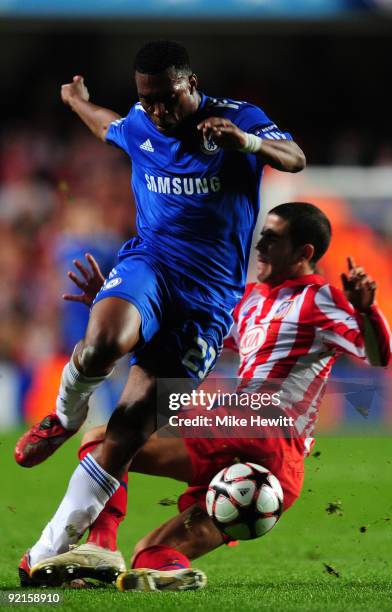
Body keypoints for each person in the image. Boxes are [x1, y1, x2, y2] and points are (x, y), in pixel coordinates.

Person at [15, 40, 305, 572]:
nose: (157, 112)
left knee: (125, 432)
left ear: (191, 85)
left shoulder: (238, 119)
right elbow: (108, 125)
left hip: (208, 298)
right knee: (103, 339)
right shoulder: (141, 121)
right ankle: (61, 416)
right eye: (146, 101)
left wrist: (246, 143)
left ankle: (53, 550)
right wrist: (76, 100)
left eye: (166, 99)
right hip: (150, 264)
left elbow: (295, 157)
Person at [22, 203, 392, 592]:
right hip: (276, 471)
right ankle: (167, 571)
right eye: (261, 235)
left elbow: (378, 355)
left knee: (103, 440)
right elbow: (187, 334)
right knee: (151, 554)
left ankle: (100, 546)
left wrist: (366, 310)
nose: (260, 245)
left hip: (263, 425)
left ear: (305, 253)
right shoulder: (249, 299)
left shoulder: (320, 297)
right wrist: (116, 307)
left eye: (273, 237)